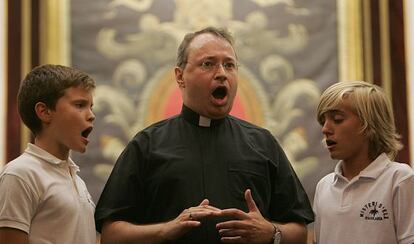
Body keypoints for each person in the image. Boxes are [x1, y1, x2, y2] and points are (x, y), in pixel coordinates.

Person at [94, 26, 314, 244]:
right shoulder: (146, 145)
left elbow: (300, 232)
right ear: (180, 76)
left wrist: (271, 233)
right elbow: (111, 235)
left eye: (229, 65)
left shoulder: (263, 143)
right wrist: (165, 230)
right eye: (208, 64)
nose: (221, 74)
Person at [0, 64, 97, 244]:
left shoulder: (78, 181)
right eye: (80, 105)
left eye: (91, 107)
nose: (91, 115)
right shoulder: (20, 174)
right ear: (44, 112)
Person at [313, 81, 414, 244]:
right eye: (323, 121)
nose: (325, 129)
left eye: (337, 119)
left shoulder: (400, 179)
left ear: (369, 126)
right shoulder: (324, 186)